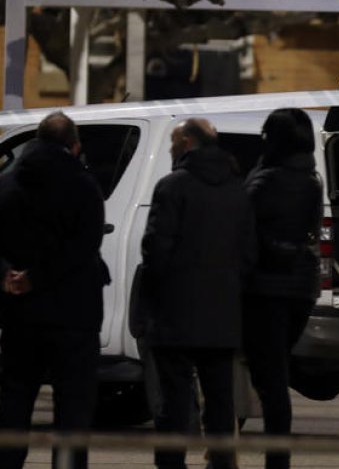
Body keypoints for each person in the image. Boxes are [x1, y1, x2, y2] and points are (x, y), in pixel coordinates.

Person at [0, 112, 108, 469]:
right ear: (74, 145)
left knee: (15, 402)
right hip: (73, 316)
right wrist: (39, 276)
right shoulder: (83, 185)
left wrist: (6, 273)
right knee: (72, 411)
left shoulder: (4, 184)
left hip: (20, 314)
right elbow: (85, 245)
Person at [141, 118, 255, 469]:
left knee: (174, 400)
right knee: (220, 400)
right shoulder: (238, 189)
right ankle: (221, 464)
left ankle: (171, 464)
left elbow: (155, 251)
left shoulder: (172, 187)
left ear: (188, 143)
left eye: (174, 144)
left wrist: (155, 295)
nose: (172, 151)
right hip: (222, 313)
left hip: (175, 314)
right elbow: (249, 254)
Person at [242, 109, 323, 469]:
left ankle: (277, 459)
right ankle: (278, 457)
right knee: (275, 375)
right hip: (300, 287)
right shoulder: (311, 179)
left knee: (269, 378)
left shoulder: (267, 180)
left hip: (266, 288)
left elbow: (245, 232)